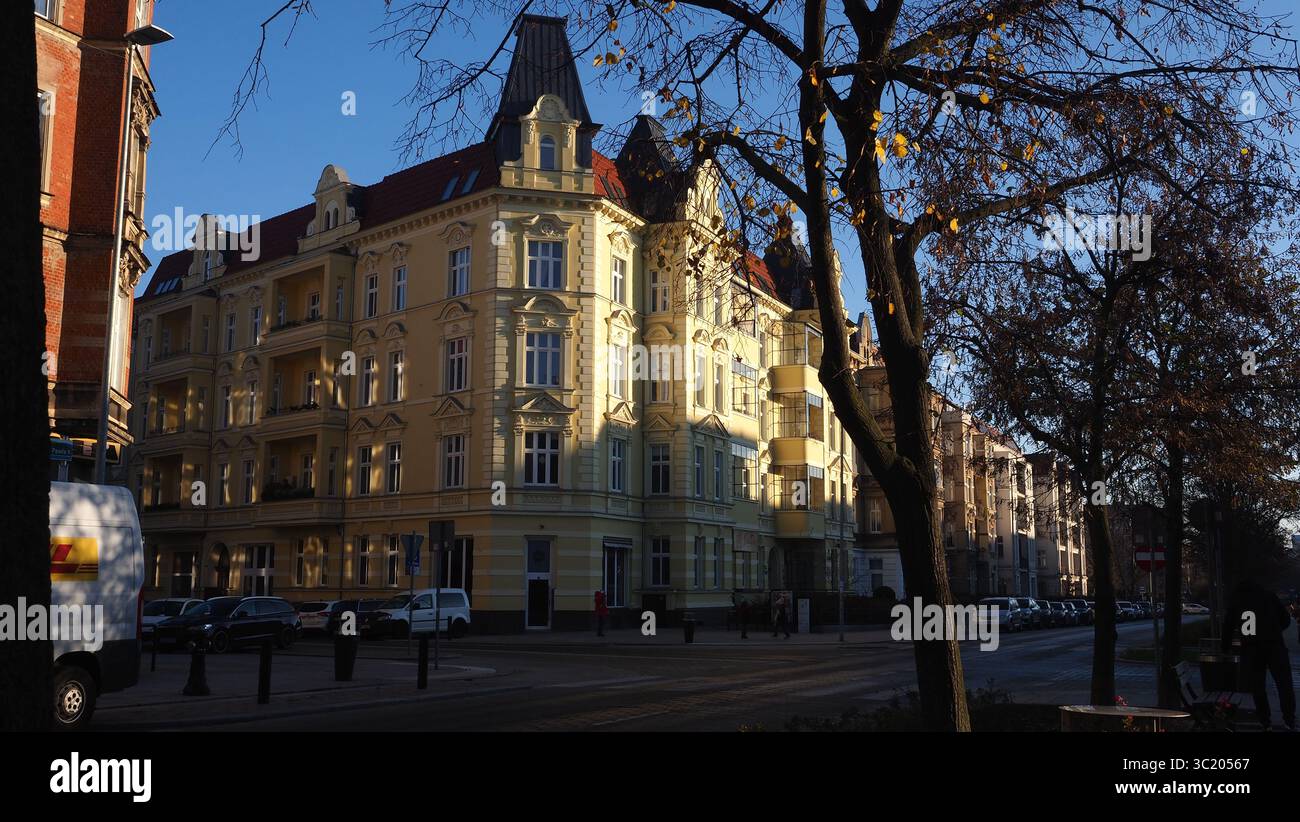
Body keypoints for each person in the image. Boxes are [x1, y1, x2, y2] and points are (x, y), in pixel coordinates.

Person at [1221, 579, 1296, 731]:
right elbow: (1285, 619)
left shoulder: (1237, 600)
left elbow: (1228, 626)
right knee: (1284, 684)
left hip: (1251, 648)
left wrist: (1225, 646)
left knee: (1258, 687)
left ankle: (1265, 721)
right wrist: (1274, 631)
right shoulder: (1269, 596)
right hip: (1274, 646)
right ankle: (1289, 719)